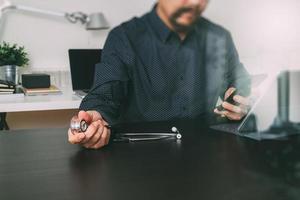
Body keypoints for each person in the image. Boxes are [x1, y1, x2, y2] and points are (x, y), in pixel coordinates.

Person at [68, 0, 251, 149]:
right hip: (142, 159)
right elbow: (104, 94)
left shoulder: (220, 37)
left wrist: (242, 102)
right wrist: (94, 117)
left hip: (207, 155)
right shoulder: (124, 37)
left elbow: (240, 82)